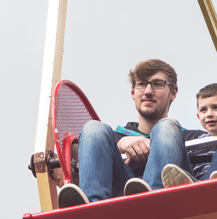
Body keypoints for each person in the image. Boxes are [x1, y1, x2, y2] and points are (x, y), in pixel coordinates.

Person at [58, 59, 205, 208]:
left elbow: (213, 179)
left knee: (167, 127)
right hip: (122, 203)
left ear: (173, 93)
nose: (148, 91)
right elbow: (72, 163)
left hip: (174, 203)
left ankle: (154, 196)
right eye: (141, 84)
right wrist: (120, 145)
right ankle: (92, 208)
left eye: (158, 84)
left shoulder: (197, 138)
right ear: (132, 92)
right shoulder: (112, 140)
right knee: (93, 128)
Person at [161, 83, 217, 187]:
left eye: (216, 107)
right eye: (204, 110)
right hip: (199, 182)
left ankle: (202, 186)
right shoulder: (195, 144)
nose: (209, 114)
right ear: (198, 116)